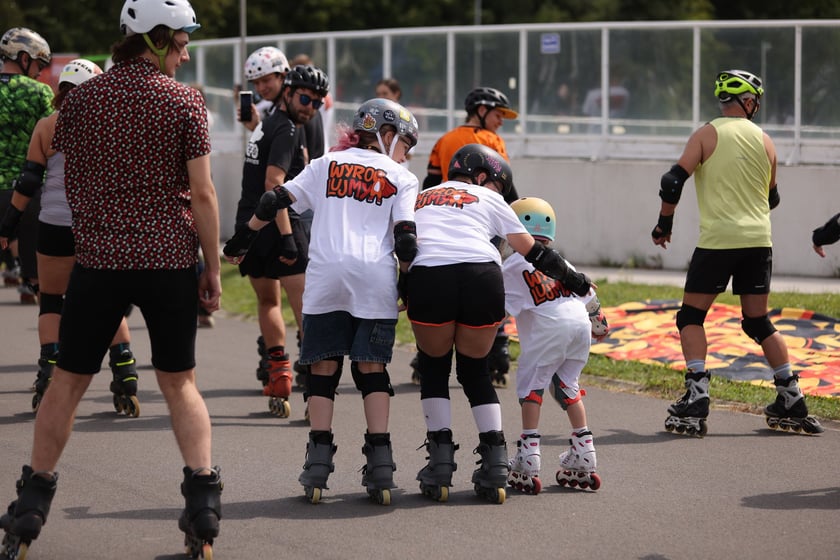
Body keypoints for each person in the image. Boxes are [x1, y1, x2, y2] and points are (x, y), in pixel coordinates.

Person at [0, 1, 223, 558]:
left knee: (68, 382)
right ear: (156, 38)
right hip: (168, 261)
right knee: (180, 383)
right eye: (180, 44)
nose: (185, 55)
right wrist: (213, 267)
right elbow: (202, 193)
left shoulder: (80, 101)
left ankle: (30, 505)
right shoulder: (184, 102)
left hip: (99, 262)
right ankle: (202, 504)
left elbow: (65, 175)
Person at [223, 97, 419, 505]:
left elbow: (274, 199)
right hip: (374, 280)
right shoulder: (401, 176)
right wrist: (406, 286)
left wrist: (244, 237)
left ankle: (318, 461)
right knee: (372, 369)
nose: (407, 154)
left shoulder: (327, 163)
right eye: (405, 143)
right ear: (385, 134)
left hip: (326, 277)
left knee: (322, 369)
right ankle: (381, 464)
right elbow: (405, 240)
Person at [407, 144, 592, 504]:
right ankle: (495, 466)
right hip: (481, 275)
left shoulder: (422, 196)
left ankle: (440, 465)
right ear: (481, 177)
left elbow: (403, 243)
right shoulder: (491, 200)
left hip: (430, 275)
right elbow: (536, 253)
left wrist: (403, 287)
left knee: (434, 369)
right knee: (476, 371)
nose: (500, 193)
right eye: (499, 185)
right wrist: (577, 281)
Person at [650, 69, 823, 437]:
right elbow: (772, 198)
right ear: (747, 102)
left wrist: (664, 223)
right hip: (759, 241)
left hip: (718, 241)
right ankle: (791, 396)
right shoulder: (766, 141)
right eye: (754, 101)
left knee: (691, 316)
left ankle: (697, 395)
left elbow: (673, 181)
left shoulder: (706, 134)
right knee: (757, 321)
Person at [0, 58, 142, 416]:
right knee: (108, 300)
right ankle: (125, 373)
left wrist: (7, 226)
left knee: (50, 300)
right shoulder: (113, 125)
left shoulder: (48, 125)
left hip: (54, 225)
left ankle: (48, 373)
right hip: (98, 225)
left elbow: (28, 182)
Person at [231, 63, 329, 417]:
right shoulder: (288, 129)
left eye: (317, 103)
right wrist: (288, 236)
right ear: (287, 92)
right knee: (306, 312)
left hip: (250, 224)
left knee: (268, 302)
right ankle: (314, 391)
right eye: (305, 99)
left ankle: (279, 377)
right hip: (279, 224)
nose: (310, 108)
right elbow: (274, 184)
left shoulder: (267, 123)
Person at [414, 86, 521, 388]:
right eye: (498, 114)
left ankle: (426, 356)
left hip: (440, 223)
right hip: (479, 223)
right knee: (489, 288)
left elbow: (430, 182)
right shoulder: (491, 141)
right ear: (481, 111)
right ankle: (497, 352)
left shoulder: (444, 140)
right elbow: (505, 189)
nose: (501, 121)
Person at [504, 197, 608, 495]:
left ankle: (528, 455)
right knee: (567, 386)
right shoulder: (563, 262)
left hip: (548, 330)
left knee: (532, 388)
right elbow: (590, 299)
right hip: (579, 327)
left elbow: (497, 309)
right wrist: (599, 321)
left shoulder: (512, 266)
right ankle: (584, 451)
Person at [0, 27, 54, 304]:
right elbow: (56, 140)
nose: (40, 72)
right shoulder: (39, 93)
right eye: (38, 65)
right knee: (42, 284)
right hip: (29, 193)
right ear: (24, 58)